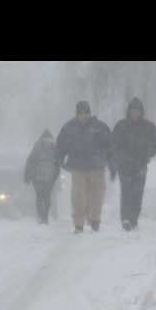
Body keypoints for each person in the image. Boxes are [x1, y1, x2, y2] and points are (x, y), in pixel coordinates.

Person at [56, 101, 115, 235]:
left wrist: (111, 163)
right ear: (77, 114)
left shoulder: (100, 127)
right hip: (78, 168)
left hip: (97, 167)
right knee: (77, 197)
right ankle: (78, 224)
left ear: (90, 113)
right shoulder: (69, 128)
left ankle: (94, 220)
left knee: (97, 195)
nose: (84, 116)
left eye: (86, 113)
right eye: (81, 113)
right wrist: (59, 160)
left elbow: (110, 146)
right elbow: (61, 146)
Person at [112, 97, 156, 231]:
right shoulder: (120, 126)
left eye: (137, 111)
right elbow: (113, 144)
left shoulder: (149, 127)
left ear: (141, 112)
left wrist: (147, 153)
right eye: (132, 111)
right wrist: (119, 158)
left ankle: (134, 218)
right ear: (128, 112)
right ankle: (126, 219)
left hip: (140, 166)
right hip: (124, 166)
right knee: (126, 193)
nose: (134, 114)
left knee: (137, 194)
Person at [24, 130, 60, 225]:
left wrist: (55, 176)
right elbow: (29, 163)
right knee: (40, 197)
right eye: (46, 141)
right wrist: (27, 176)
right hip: (37, 178)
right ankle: (40, 216)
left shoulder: (54, 151)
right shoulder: (36, 151)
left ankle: (45, 217)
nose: (47, 143)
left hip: (49, 179)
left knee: (47, 198)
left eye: (49, 141)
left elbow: (57, 165)